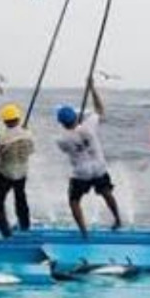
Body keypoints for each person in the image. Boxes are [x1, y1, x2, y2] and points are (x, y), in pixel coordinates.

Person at [54, 85, 121, 237]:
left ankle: (84, 231)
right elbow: (100, 110)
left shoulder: (62, 139)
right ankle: (117, 219)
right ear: (76, 117)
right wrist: (92, 89)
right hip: (99, 167)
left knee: (74, 201)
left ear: (62, 123)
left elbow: (66, 145)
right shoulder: (89, 125)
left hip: (81, 173)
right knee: (106, 192)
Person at [0, 105, 35, 236]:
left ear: (4, 121)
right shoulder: (28, 134)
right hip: (22, 173)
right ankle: (25, 226)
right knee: (20, 198)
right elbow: (31, 151)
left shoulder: (1, 138)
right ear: (19, 119)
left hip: (6, 174)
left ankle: (5, 231)